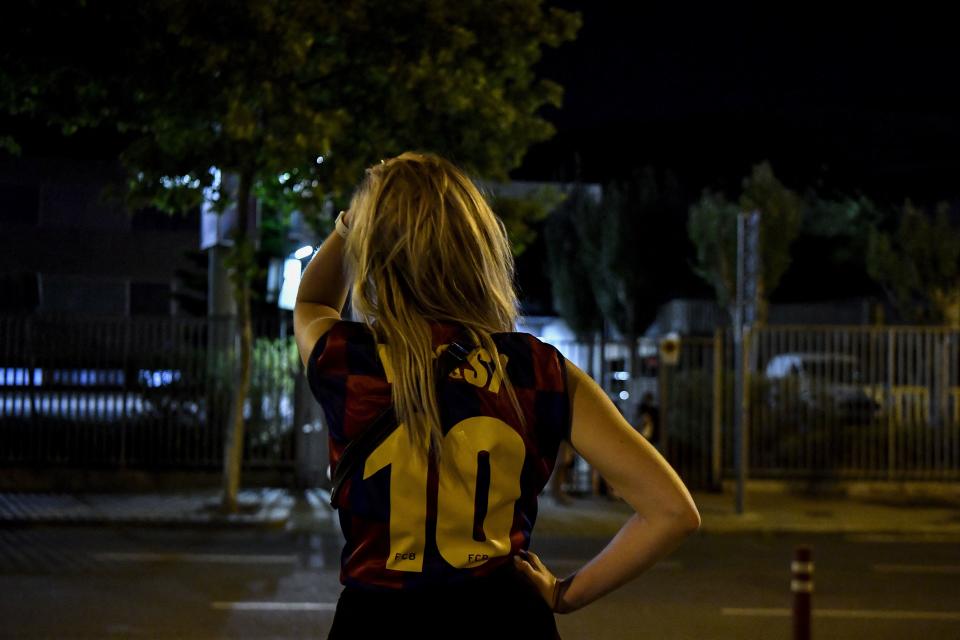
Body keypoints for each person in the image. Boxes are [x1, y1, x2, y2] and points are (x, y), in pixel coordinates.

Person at [294, 152, 700, 639]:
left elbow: (312, 300)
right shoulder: (539, 370)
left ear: (378, 255)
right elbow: (672, 512)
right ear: (481, 252)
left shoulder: (349, 361)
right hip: (503, 618)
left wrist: (351, 221)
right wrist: (564, 594)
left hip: (379, 620)